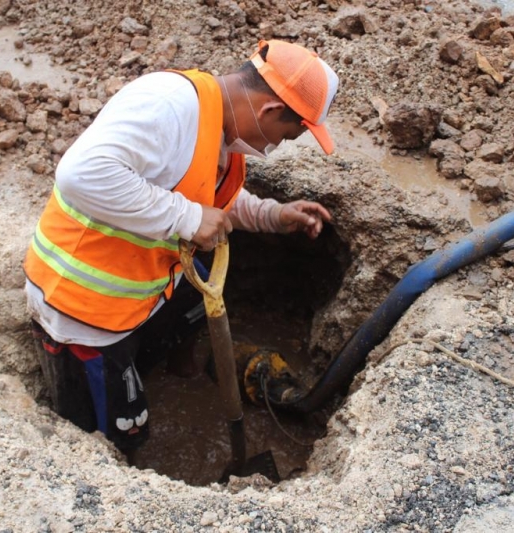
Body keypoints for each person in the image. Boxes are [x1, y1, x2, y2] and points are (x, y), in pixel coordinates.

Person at [23, 39, 339, 454]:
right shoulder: (168, 107)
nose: (276, 146)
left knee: (199, 295)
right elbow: (81, 176)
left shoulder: (217, 124)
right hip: (85, 307)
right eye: (287, 135)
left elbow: (204, 195)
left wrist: (271, 215)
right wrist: (186, 219)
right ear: (270, 111)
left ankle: (176, 367)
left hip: (149, 281)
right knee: (118, 434)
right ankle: (122, 433)